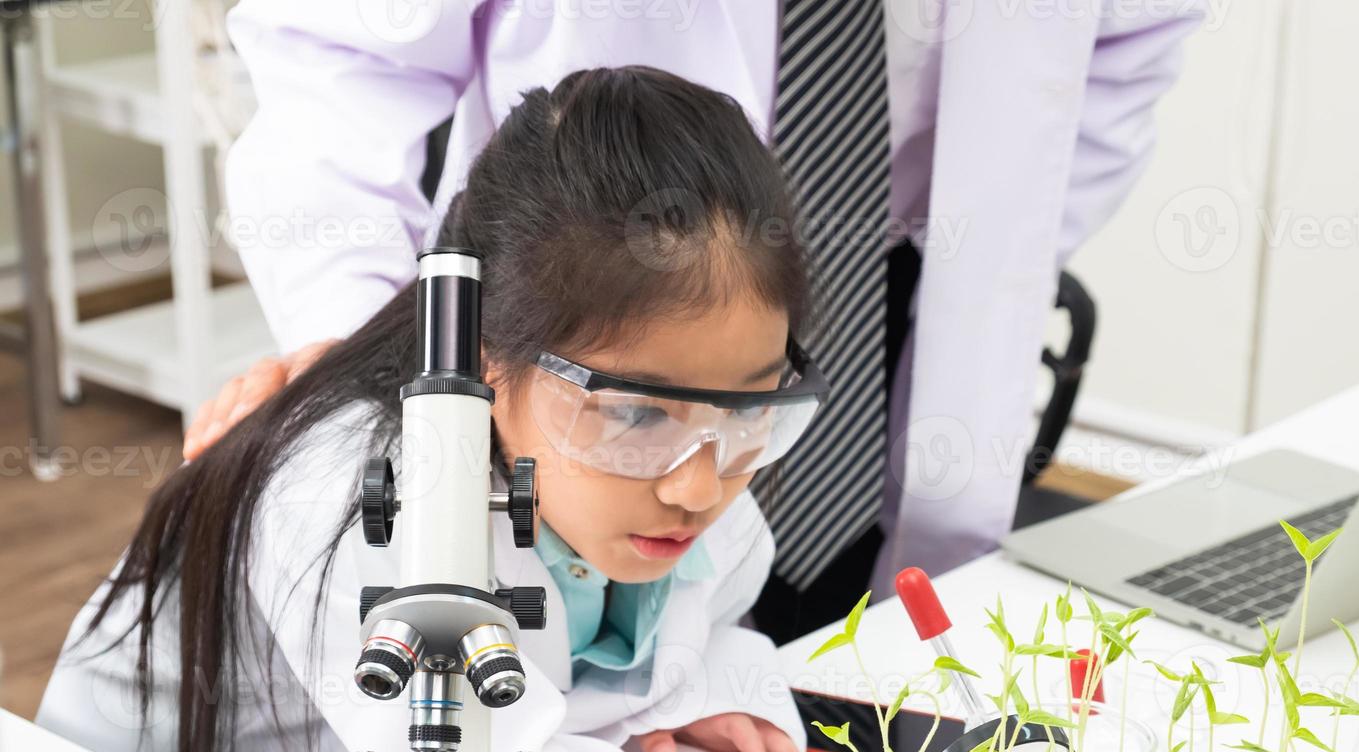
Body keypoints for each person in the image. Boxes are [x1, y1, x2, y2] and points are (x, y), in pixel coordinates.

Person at [38, 68, 878, 752]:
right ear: (486, 358)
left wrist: (703, 688)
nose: (700, 485)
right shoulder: (349, 494)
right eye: (639, 417)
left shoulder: (689, 450)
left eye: (752, 413)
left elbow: (708, 624)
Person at [191, 0, 1204, 643]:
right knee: (554, 654)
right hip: (583, 335)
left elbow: (1128, 46)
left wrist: (993, 266)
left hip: (900, 297)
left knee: (823, 668)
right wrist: (376, 356)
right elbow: (341, 58)